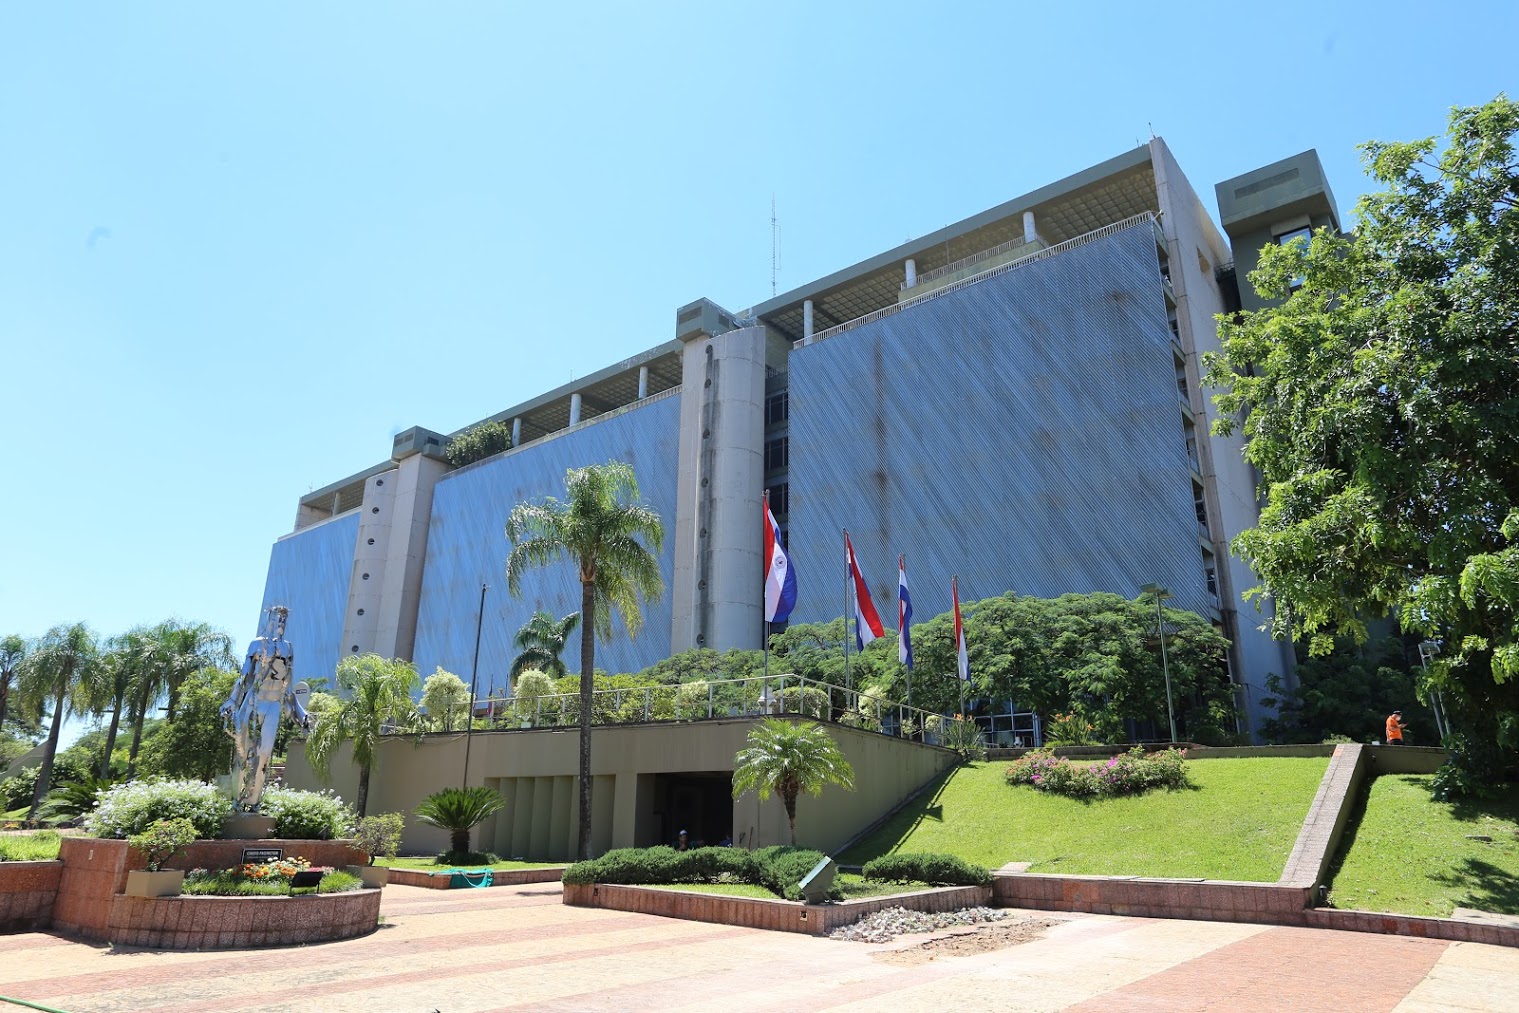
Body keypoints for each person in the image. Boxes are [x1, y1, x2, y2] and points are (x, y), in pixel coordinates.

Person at [223, 606, 311, 812]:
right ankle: (236, 800)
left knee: (264, 754)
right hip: (253, 703)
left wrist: (301, 714)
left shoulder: (288, 648)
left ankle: (254, 801)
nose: (281, 621)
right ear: (269, 620)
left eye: (284, 619)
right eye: (277, 617)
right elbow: (245, 676)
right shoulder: (256, 644)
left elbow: (288, 686)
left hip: (273, 705)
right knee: (243, 755)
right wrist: (231, 701)